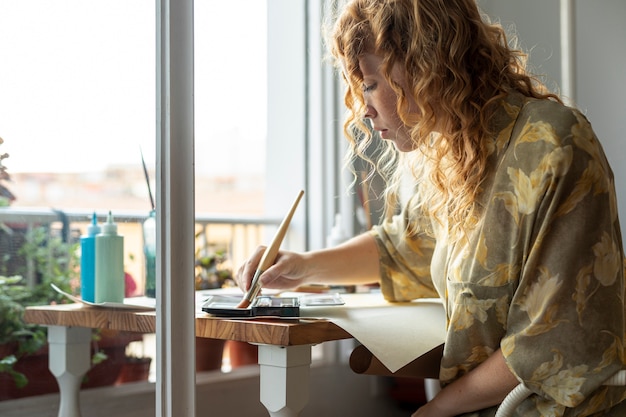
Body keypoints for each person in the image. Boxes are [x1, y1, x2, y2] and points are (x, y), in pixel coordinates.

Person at [236, 0, 626, 415]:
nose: (364, 109)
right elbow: (410, 247)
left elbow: (549, 339)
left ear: (424, 65)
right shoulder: (459, 158)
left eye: (369, 83)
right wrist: (304, 266)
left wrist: (436, 410)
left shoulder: (552, 144)